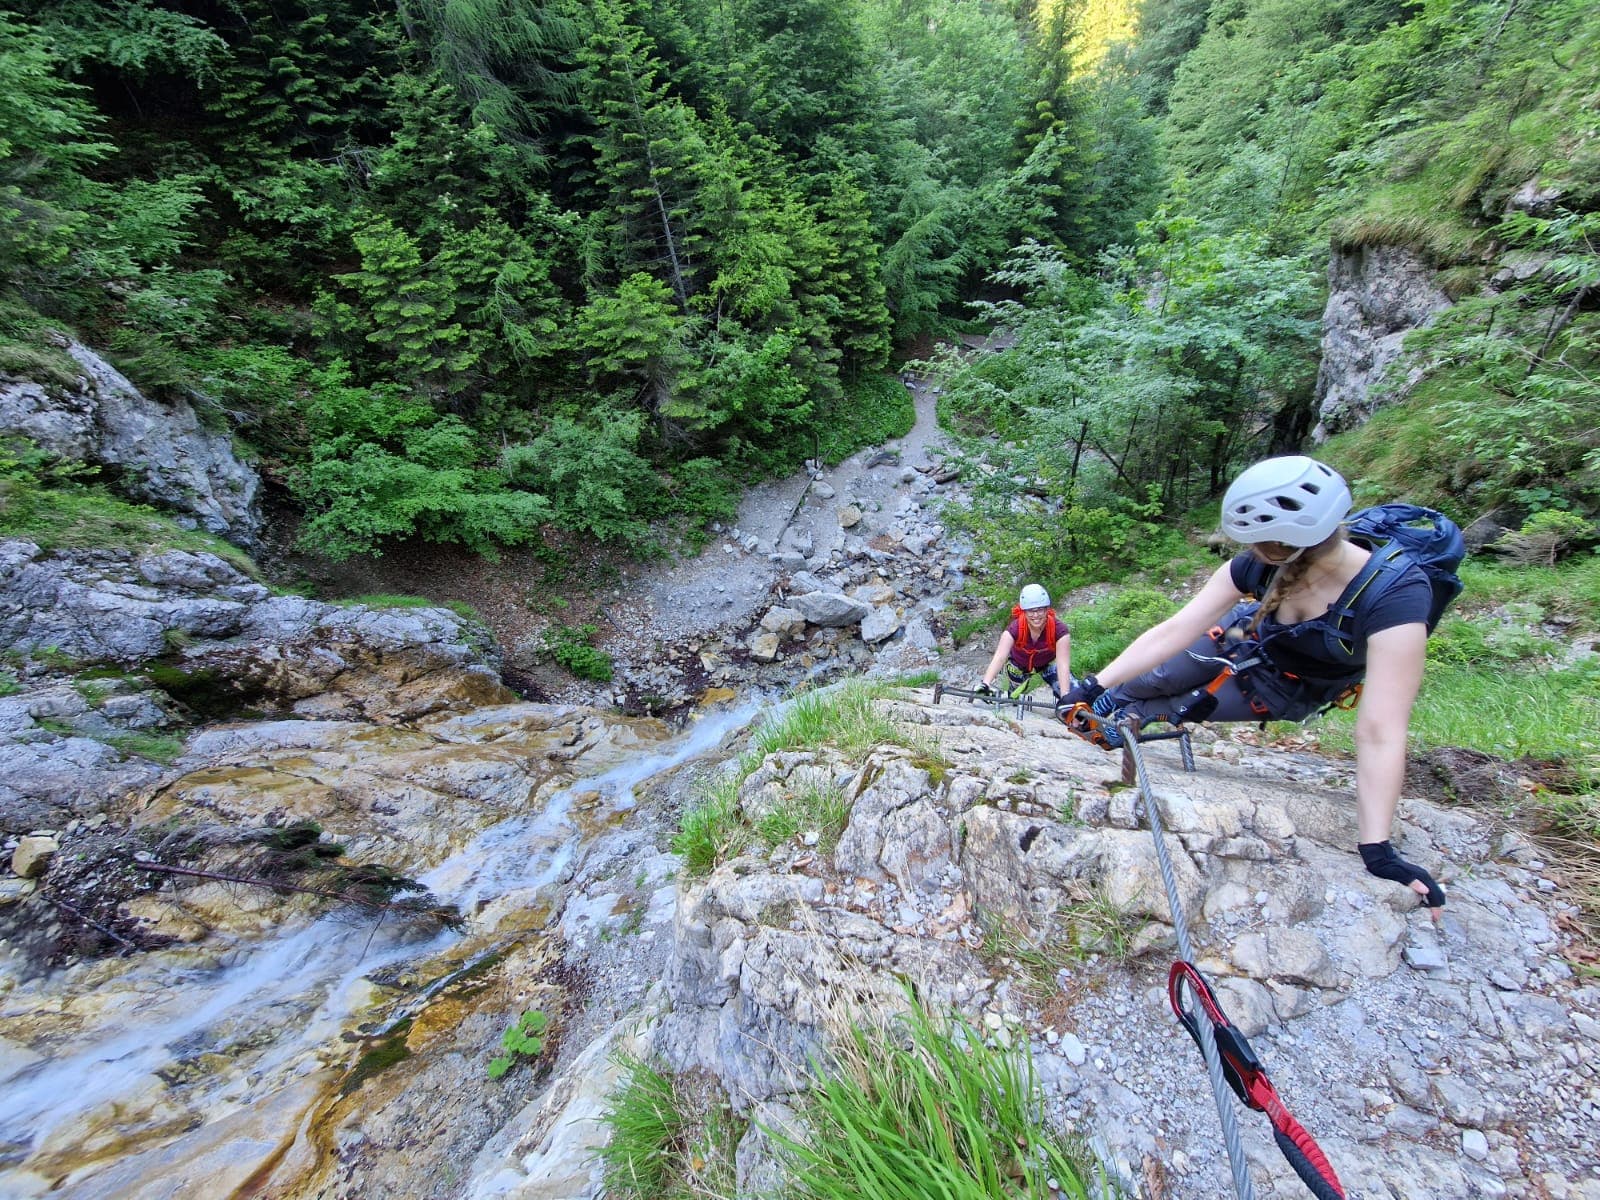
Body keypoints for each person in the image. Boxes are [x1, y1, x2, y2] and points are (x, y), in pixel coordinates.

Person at [1054, 456, 1446, 918]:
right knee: (1154, 677)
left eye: (1260, 544)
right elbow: (1174, 630)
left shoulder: (1396, 595)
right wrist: (1092, 682)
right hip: (1244, 636)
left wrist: (1377, 849)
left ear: (1287, 545)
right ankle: (1103, 710)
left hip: (1286, 686)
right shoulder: (1258, 567)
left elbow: (1381, 730)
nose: (1251, 551)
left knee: (1174, 709)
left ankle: (1116, 724)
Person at [977, 583, 1071, 700]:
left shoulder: (1060, 631)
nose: (1036, 615)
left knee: (1071, 690)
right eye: (1031, 611)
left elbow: (1063, 665)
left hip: (1047, 664)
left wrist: (1066, 696)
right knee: (1014, 697)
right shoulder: (1014, 629)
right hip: (1019, 665)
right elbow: (1000, 656)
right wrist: (985, 683)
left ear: (1047, 609)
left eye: (1040, 610)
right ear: (1024, 612)